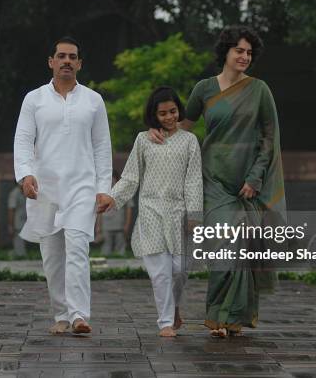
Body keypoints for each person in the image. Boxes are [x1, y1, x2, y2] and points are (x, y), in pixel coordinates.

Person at [149, 26, 286, 337]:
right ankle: (220, 317)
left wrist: (255, 176)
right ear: (225, 51)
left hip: (246, 183)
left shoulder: (260, 90)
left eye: (249, 52)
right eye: (239, 50)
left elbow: (269, 138)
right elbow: (182, 126)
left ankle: (228, 317)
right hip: (211, 179)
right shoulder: (205, 89)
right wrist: (157, 131)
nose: (244, 56)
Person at [14, 36, 112, 335]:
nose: (67, 61)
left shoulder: (93, 100)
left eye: (73, 57)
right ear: (51, 61)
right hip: (46, 187)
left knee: (78, 248)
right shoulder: (34, 98)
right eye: (61, 56)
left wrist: (103, 186)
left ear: (79, 64)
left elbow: (102, 146)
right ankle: (61, 314)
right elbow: (23, 140)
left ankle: (80, 315)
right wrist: (25, 174)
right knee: (53, 254)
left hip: (82, 185)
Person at [98, 86, 203, 337]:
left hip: (179, 212)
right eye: (163, 113)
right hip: (150, 211)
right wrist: (112, 197)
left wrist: (195, 214)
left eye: (173, 111)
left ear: (179, 110)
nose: (169, 117)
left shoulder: (190, 141)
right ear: (154, 115)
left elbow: (194, 180)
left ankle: (174, 306)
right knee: (160, 273)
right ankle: (165, 322)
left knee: (180, 268)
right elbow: (131, 177)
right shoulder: (144, 139)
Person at [99, 169, 134, 256]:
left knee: (121, 249)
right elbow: (99, 209)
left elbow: (129, 208)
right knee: (106, 249)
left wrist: (127, 225)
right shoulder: (102, 191)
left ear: (116, 178)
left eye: (112, 179)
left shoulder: (123, 190)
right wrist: (99, 226)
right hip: (106, 225)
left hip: (119, 225)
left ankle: (121, 266)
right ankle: (105, 267)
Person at [7, 185, 28, 256]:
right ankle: (19, 256)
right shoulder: (14, 193)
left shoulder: (24, 192)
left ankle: (19, 255)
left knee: (22, 244)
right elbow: (11, 210)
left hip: (24, 222)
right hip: (17, 223)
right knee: (19, 245)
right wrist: (10, 225)